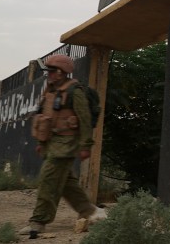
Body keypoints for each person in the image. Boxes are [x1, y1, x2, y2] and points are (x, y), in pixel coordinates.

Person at [20, 55, 106, 238]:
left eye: (52, 71)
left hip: (66, 144)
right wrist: (41, 143)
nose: (49, 74)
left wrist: (85, 145)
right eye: (48, 71)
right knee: (66, 182)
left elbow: (84, 120)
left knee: (48, 180)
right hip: (51, 142)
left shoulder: (75, 91)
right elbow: (44, 116)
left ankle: (39, 221)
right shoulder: (50, 90)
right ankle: (88, 210)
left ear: (61, 72)